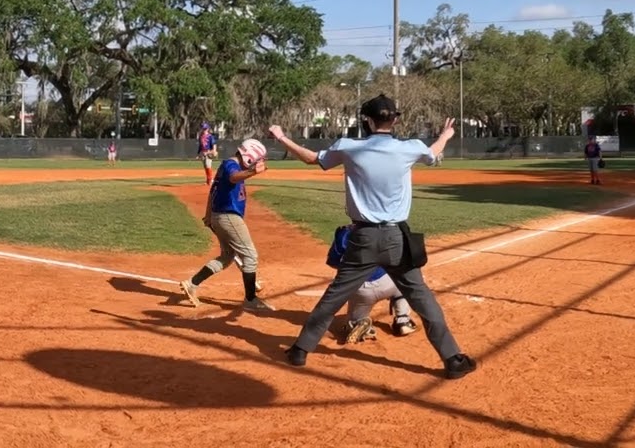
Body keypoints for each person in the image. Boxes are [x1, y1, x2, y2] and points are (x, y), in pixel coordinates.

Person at [268, 94, 477, 379]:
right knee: (422, 298)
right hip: (396, 239)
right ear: (395, 119)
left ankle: (300, 350)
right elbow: (432, 152)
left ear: (366, 120)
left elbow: (309, 158)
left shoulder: (349, 148)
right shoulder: (409, 148)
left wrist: (281, 137)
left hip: (362, 239)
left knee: (334, 296)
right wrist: (446, 135)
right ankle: (453, 359)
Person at [179, 138, 274, 312]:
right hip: (228, 216)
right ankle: (250, 300)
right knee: (250, 256)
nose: (259, 163)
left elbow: (214, 191)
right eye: (258, 159)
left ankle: (192, 284)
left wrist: (209, 216)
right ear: (250, 156)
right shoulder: (232, 165)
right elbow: (233, 177)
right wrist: (253, 171)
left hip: (220, 216)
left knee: (227, 256)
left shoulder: (228, 165)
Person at [326, 223, 417, 343]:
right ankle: (403, 320)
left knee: (353, 320)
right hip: (389, 283)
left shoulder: (345, 232)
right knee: (405, 279)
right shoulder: (391, 230)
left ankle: (360, 324)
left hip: (360, 289)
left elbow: (333, 262)